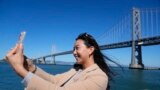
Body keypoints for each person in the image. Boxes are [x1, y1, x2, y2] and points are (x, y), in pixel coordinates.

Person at [5, 33, 116, 90]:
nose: (73, 52)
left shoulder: (99, 77)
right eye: (73, 49)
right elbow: (53, 80)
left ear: (91, 49)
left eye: (77, 48)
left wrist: (20, 70)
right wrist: (29, 66)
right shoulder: (76, 70)